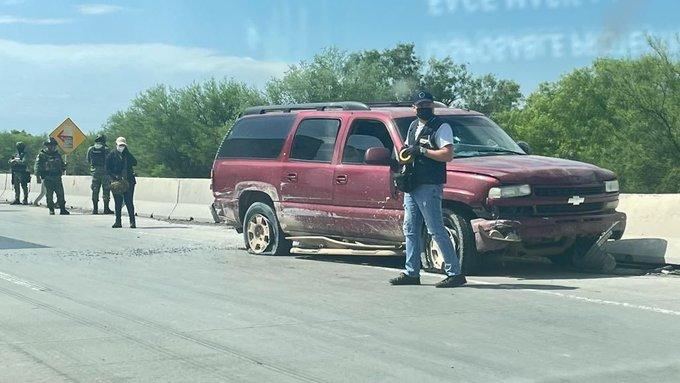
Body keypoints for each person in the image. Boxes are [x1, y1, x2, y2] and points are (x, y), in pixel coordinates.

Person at [389, 91, 467, 288]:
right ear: (413, 108)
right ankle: (411, 272)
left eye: (428, 104)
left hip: (429, 184)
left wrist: (423, 151)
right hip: (412, 184)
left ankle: (454, 273)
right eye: (420, 105)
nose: (424, 108)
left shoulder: (441, 126)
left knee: (435, 229)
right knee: (410, 230)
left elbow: (447, 154)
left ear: (432, 106)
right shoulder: (414, 126)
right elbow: (407, 150)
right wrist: (402, 157)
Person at [106, 137, 137, 228]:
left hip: (129, 181)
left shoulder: (127, 154)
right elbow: (107, 169)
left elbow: (135, 162)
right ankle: (118, 222)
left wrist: (127, 152)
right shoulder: (111, 155)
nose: (121, 147)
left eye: (123, 145)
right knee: (118, 202)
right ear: (116, 145)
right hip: (116, 182)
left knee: (129, 202)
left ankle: (132, 222)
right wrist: (114, 177)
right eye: (120, 145)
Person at [34, 137, 70, 215]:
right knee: (49, 195)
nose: (52, 147)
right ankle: (51, 209)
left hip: (57, 178)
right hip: (47, 178)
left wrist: (64, 167)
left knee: (60, 194)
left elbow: (62, 165)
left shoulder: (57, 155)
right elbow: (37, 166)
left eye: (53, 145)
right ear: (46, 146)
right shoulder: (41, 155)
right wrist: (38, 177)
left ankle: (62, 209)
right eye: (50, 145)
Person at [86, 134, 113, 215]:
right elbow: (110, 161)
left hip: (95, 173)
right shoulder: (106, 149)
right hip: (105, 173)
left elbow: (88, 160)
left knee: (95, 190)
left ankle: (95, 209)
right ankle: (106, 209)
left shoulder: (91, 149)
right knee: (106, 190)